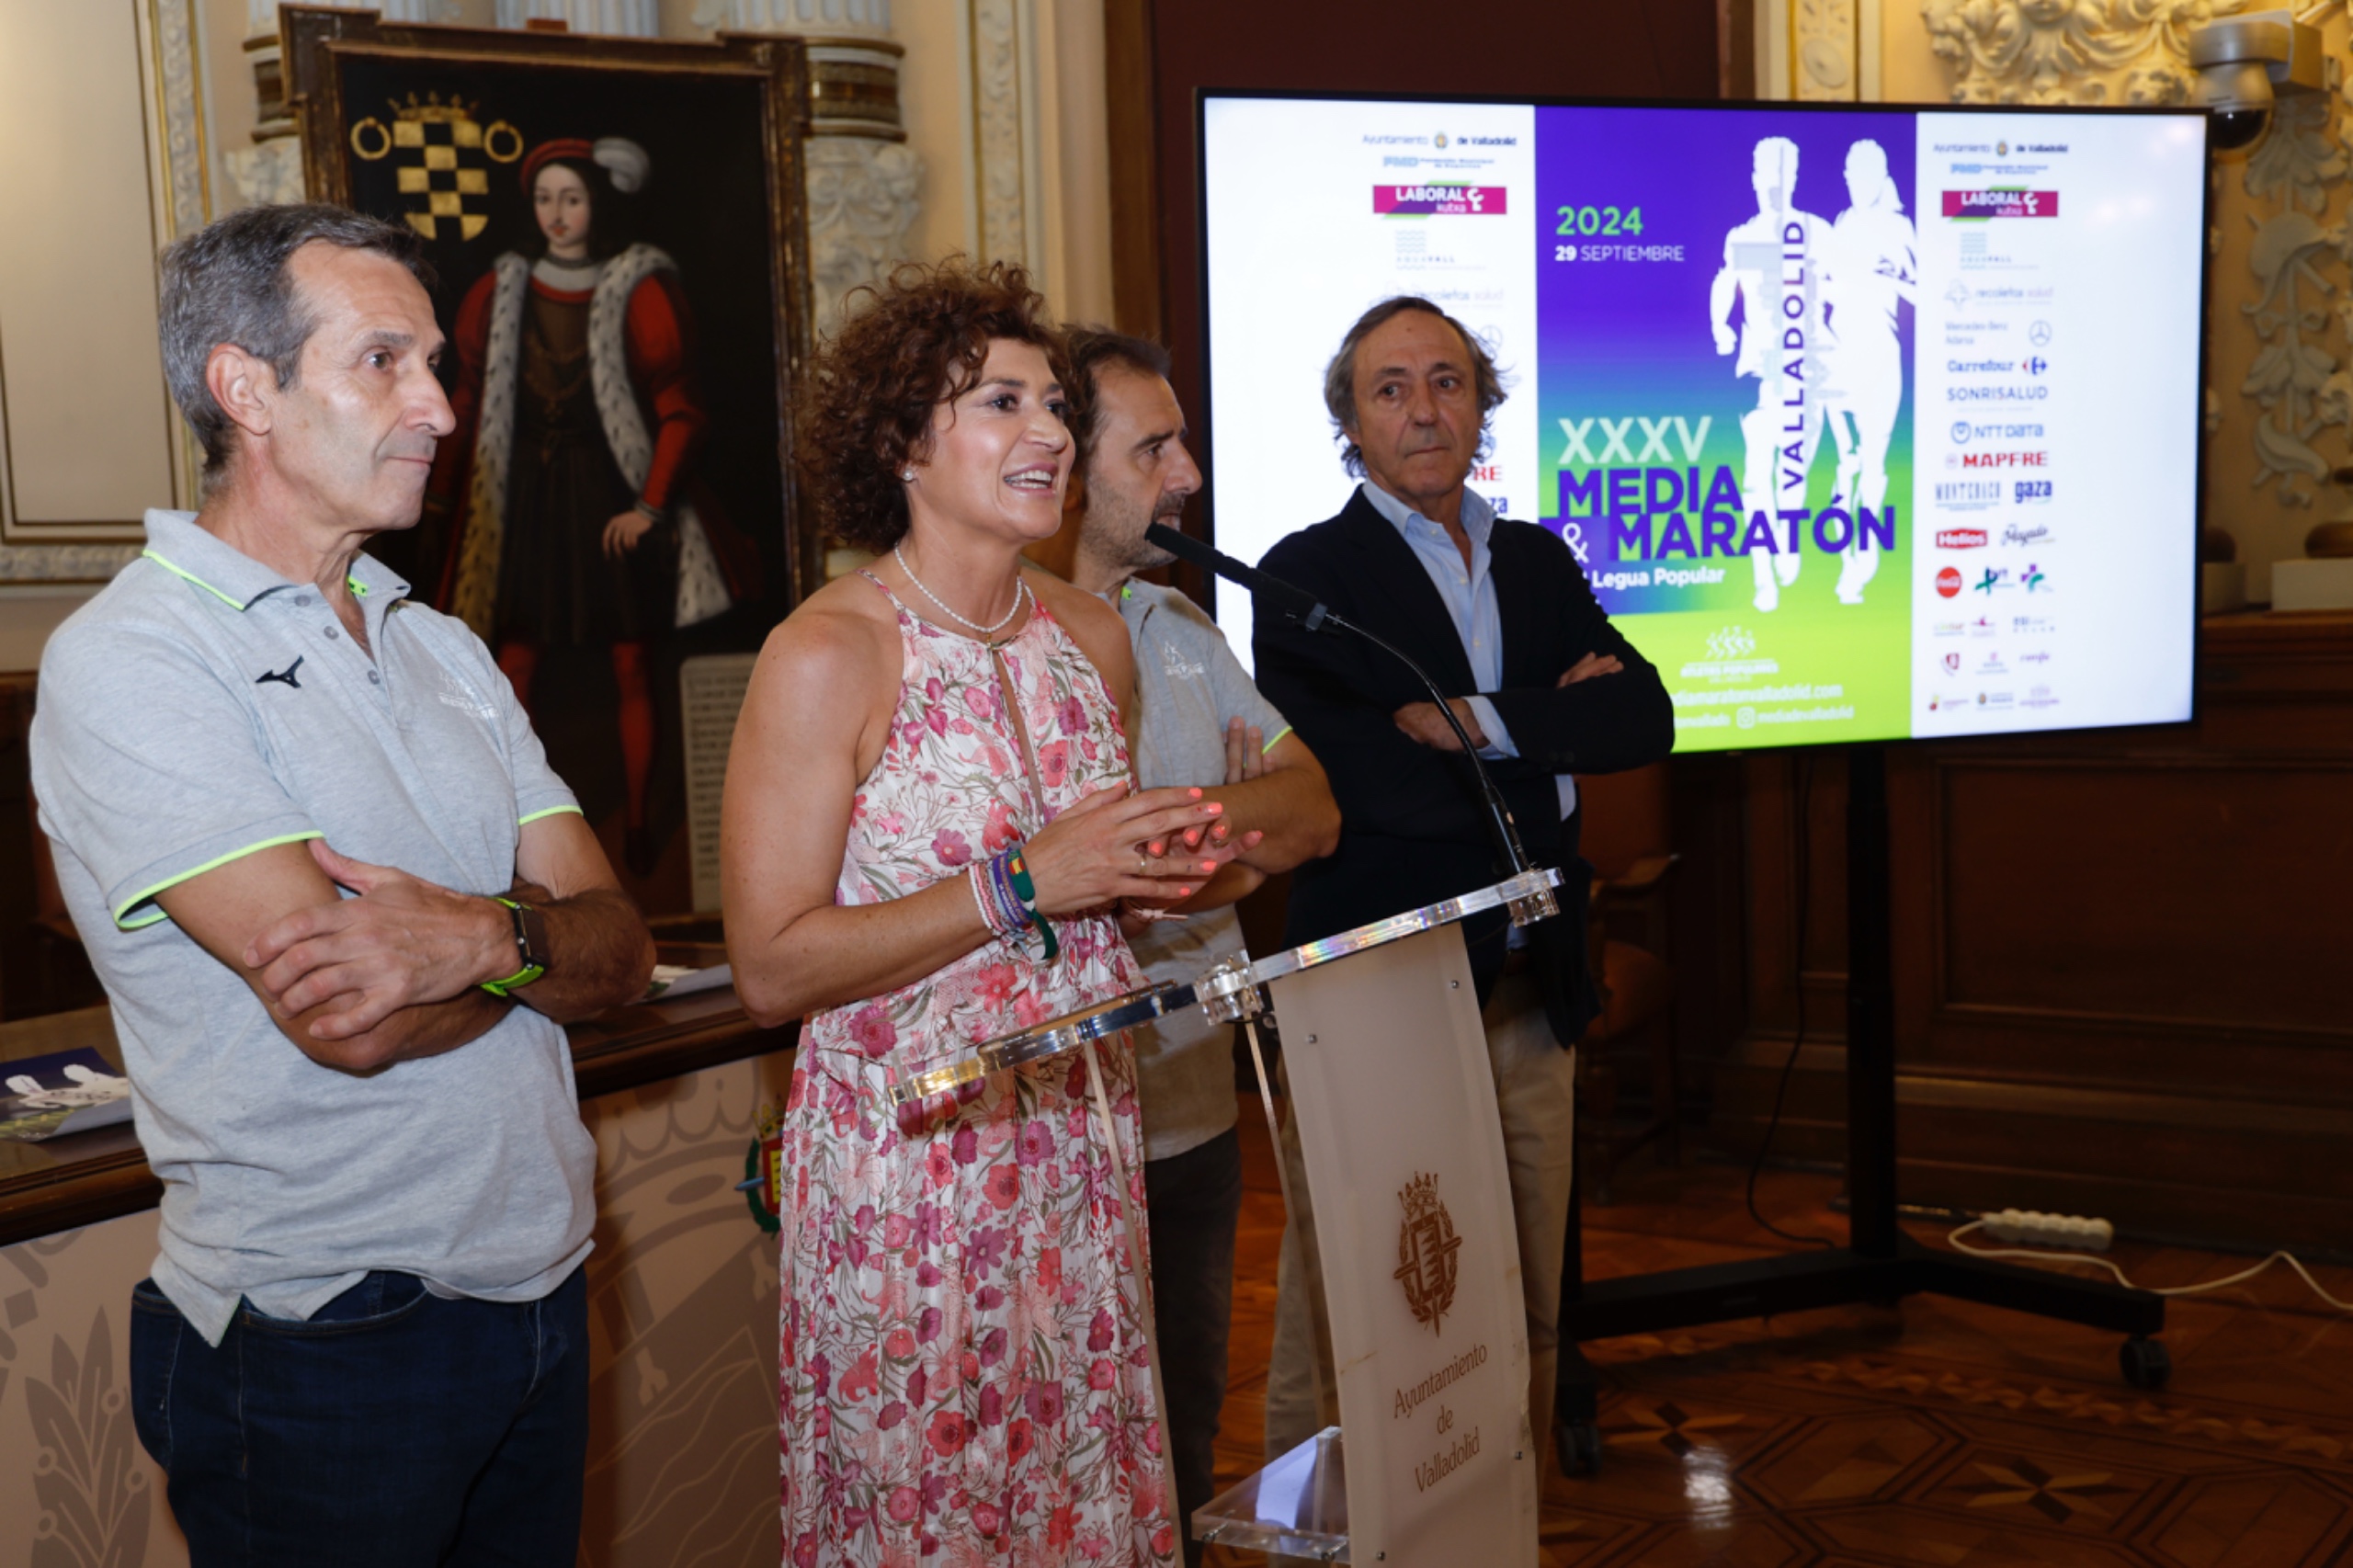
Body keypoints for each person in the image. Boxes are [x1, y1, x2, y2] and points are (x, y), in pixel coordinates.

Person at [31, 203, 656, 1563]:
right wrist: (531, 944)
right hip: (323, 1326)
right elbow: (351, 1016)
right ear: (245, 388)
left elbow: (621, 952)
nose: (439, 406)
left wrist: (476, 935)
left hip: (541, 1284)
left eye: (434, 363)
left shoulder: (442, 647)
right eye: (383, 361)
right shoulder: (135, 657)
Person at [724, 261, 1254, 1567]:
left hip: (1080, 1149)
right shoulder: (827, 653)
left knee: (1082, 1502)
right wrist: (1018, 882)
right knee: (933, 1517)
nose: (1051, 433)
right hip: (913, 1170)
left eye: (1056, 405)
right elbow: (770, 966)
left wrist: (1166, 872)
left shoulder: (1092, 637)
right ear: (904, 441)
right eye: (1002, 402)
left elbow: (1086, 906)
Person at [1251, 296, 1675, 1476]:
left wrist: (1474, 722)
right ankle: (1311, 1536)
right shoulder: (1305, 574)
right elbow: (1373, 787)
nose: (1424, 410)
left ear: (1482, 404)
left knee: (1523, 1289)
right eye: (1390, 388)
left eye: (1447, 380)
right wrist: (1548, 740)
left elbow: (1643, 715)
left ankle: (1496, 1513)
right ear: (1350, 423)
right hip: (1382, 989)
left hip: (1532, 989)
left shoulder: (1534, 558)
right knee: (1352, 1298)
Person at [1029, 327, 1341, 1566]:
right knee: (1059, 1471)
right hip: (1048, 1141)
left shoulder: (1178, 627)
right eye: (1154, 447)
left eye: (1184, 443)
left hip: (1195, 1116)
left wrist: (1183, 839)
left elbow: (1310, 809)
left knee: (1182, 1453)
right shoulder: (992, 645)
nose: (1189, 475)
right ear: (1066, 466)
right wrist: (1228, 840)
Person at [426, 135, 754, 871]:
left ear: (596, 203)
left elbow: (681, 411)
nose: (557, 213)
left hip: (612, 501)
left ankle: (635, 825)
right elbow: (468, 401)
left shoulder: (640, 287)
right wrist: (441, 495)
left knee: (633, 665)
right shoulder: (500, 290)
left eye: (571, 198)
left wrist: (649, 506)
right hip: (527, 504)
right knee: (513, 663)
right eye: (545, 199)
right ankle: (523, 827)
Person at [1711, 136, 1835, 613]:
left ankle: (1788, 541)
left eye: (1782, 174)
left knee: (1794, 476)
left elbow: (1843, 290)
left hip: (1807, 377)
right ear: (1754, 178)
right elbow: (1724, 282)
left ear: (1795, 177)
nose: (1773, 184)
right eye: (1764, 174)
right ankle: (1763, 576)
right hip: (1756, 376)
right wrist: (1721, 329)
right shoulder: (1742, 237)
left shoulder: (1818, 232)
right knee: (1755, 477)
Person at [1821, 138, 1917, 606]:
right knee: (1848, 462)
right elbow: (1830, 288)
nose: (1858, 184)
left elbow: (1923, 292)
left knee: (1873, 465)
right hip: (1839, 357)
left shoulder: (1898, 227)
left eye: (1867, 176)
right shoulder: (1841, 223)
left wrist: (1885, 276)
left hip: (1880, 357)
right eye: (1852, 175)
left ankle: (1863, 566)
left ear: (1881, 179)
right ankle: (1846, 565)